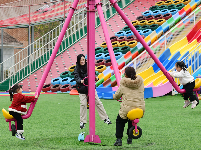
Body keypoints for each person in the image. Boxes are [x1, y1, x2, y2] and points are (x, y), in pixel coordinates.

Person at [74, 54, 112, 129]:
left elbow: (93, 72)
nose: (82, 61)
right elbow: (76, 77)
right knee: (83, 104)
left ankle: (105, 118)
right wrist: (80, 81)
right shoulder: (77, 68)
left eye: (83, 59)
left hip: (90, 87)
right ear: (78, 61)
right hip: (82, 88)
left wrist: (95, 77)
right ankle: (82, 121)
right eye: (80, 60)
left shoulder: (88, 65)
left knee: (98, 102)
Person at [113, 66, 145, 146]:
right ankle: (130, 138)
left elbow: (117, 95)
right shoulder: (140, 82)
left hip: (127, 108)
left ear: (125, 75)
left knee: (120, 120)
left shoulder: (124, 83)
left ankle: (119, 139)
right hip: (139, 108)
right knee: (131, 120)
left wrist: (114, 97)